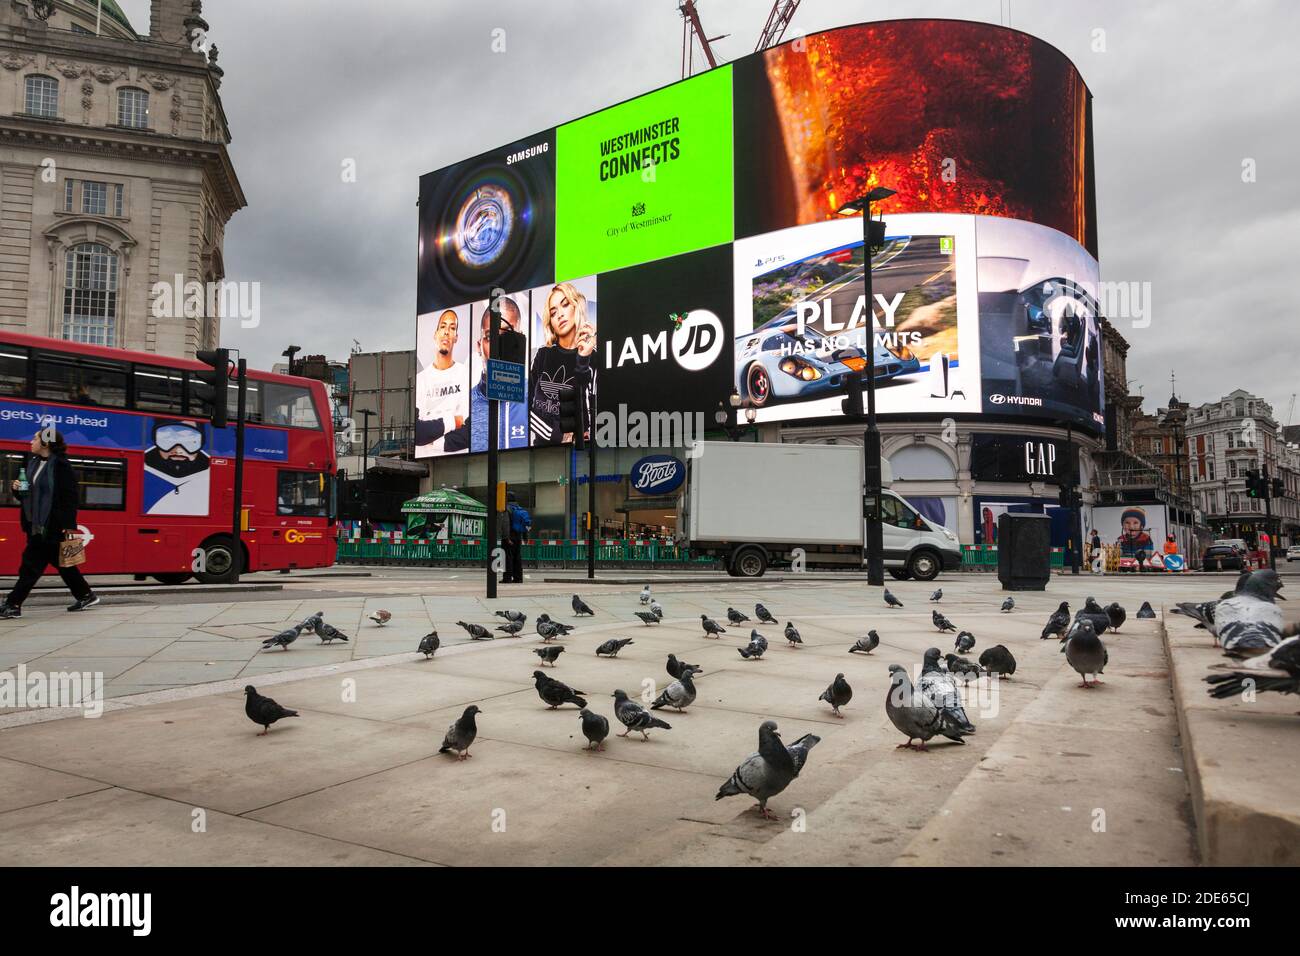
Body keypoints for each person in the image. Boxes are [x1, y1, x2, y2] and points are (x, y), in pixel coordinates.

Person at [1, 429, 99, 618]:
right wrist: (17, 490)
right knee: (63, 564)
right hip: (34, 522)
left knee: (31, 565)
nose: (31, 441)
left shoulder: (61, 466)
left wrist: (68, 524)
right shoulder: (33, 463)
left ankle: (13, 604)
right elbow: (27, 495)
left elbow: (70, 497)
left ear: (45, 443)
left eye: (35, 438)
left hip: (51, 525)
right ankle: (86, 595)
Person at [528, 282, 596, 446]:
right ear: (550, 321)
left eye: (565, 305)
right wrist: (558, 435)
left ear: (576, 306)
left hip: (581, 453)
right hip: (543, 453)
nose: (559, 315)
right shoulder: (543, 355)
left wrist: (583, 358)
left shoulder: (592, 356)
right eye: (553, 312)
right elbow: (525, 407)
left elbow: (590, 409)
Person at [470, 296, 529, 452]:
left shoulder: (536, 398)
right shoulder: (466, 405)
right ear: (479, 346)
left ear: (520, 341)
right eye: (490, 338)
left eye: (507, 336)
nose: (498, 346)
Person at [415, 309, 470, 453]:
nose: (446, 332)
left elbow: (469, 431)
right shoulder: (420, 380)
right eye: (443, 326)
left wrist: (433, 441)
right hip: (425, 465)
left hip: (462, 462)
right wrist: (454, 421)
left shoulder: (466, 375)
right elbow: (418, 432)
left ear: (456, 337)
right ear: (435, 334)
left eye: (452, 328)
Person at [499, 492, 530, 584]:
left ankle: (507, 578)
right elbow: (526, 524)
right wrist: (525, 538)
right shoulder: (520, 509)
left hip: (509, 538)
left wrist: (506, 537)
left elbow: (506, 524)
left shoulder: (507, 509)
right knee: (517, 558)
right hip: (518, 537)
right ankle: (518, 578)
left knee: (507, 558)